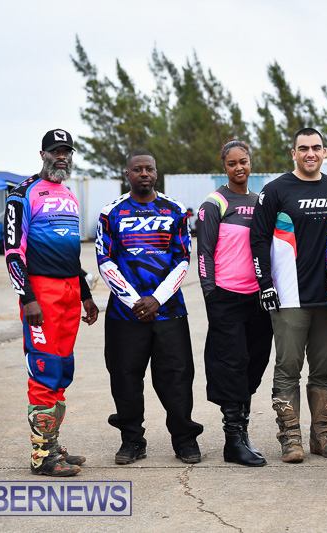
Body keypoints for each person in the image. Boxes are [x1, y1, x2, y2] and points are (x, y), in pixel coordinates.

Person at [97, 149, 203, 465]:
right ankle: (132, 441)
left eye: (149, 169)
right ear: (126, 174)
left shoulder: (176, 210)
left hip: (169, 311)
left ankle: (184, 440)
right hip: (125, 314)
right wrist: (134, 301)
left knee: (177, 379)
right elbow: (104, 260)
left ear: (156, 173)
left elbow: (183, 259)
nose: (144, 174)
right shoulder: (110, 213)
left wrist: (157, 298)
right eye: (137, 169)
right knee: (125, 379)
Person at [250, 128, 327, 463]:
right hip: (289, 297)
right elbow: (258, 239)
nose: (310, 153)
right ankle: (290, 438)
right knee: (288, 369)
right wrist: (265, 284)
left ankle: (323, 435)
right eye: (303, 148)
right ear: (293, 153)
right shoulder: (276, 190)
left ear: (324, 152)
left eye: (316, 147)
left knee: (323, 371)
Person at [5, 129, 99, 477]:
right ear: (42, 154)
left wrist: (85, 294)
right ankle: (41, 456)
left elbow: (71, 252)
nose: (62, 157)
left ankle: (52, 444)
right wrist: (27, 297)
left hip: (70, 292)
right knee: (44, 370)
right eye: (55, 151)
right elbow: (13, 252)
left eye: (66, 151)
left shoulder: (69, 195)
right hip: (41, 294)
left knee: (61, 371)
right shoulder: (22, 194)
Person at [196, 140, 273, 467]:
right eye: (232, 163)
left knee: (254, 364)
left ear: (250, 162)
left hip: (258, 298)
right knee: (231, 366)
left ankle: (243, 434)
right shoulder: (214, 203)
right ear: (223, 165)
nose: (239, 167)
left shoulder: (260, 202)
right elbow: (204, 252)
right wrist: (210, 293)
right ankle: (233, 441)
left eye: (243, 161)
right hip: (226, 297)